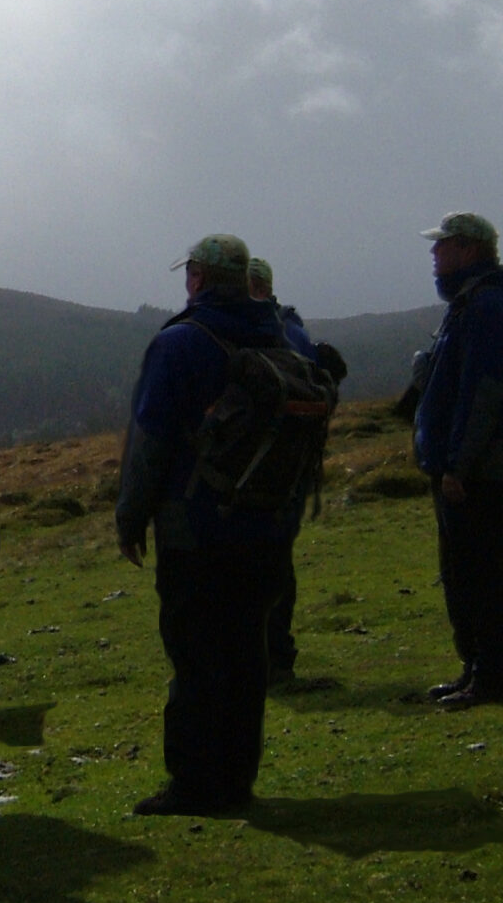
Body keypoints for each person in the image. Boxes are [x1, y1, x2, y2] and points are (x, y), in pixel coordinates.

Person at [115, 234, 295, 815]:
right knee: (247, 655)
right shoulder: (282, 337)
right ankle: (237, 781)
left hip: (195, 526)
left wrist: (131, 515)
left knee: (194, 656)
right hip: (266, 525)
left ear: (197, 278)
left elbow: (152, 441)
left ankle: (193, 785)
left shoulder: (180, 344)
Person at [411, 213, 503, 710]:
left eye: (442, 247)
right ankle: (474, 668)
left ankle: (494, 676)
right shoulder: (472, 304)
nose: (434, 256)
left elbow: (483, 393)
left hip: (478, 467)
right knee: (462, 567)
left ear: (467, 249)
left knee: (483, 568)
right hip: (460, 464)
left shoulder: (487, 307)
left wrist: (459, 462)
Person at [248, 258, 346, 686]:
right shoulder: (297, 334)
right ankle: (277, 657)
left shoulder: (251, 334)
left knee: (251, 565)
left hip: (255, 469)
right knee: (276, 563)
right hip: (292, 468)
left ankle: (263, 659)